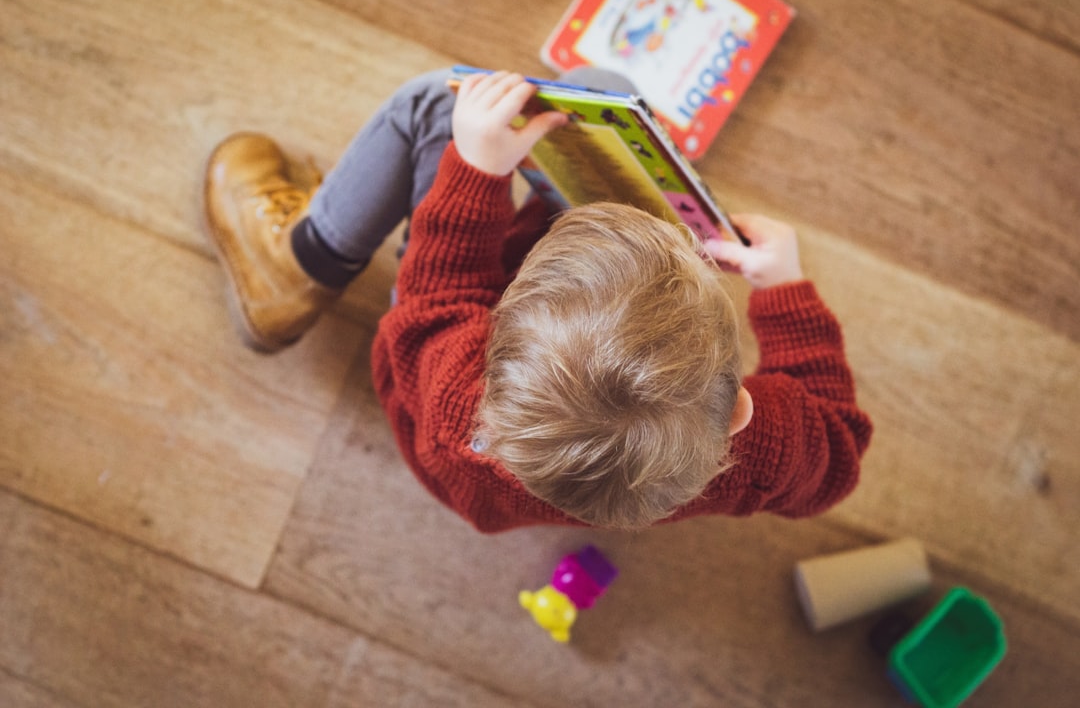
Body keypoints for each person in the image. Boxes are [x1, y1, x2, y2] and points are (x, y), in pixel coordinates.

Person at [204, 69, 873, 531]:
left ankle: (295, 267)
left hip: (430, 356)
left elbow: (443, 291)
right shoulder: (762, 446)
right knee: (602, 93)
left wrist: (476, 170)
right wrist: (784, 290)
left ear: (501, 336)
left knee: (434, 104)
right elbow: (837, 451)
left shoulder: (460, 393)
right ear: (738, 413)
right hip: (543, 481)